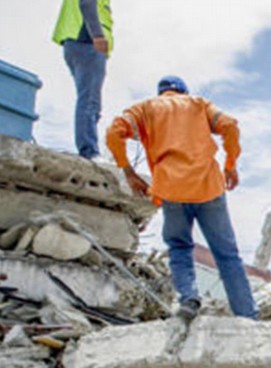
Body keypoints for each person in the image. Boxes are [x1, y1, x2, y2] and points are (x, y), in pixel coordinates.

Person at [106, 76, 258, 321]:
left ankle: (189, 298)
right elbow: (229, 125)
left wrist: (128, 171)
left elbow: (114, 131)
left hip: (171, 188)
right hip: (208, 186)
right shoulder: (199, 105)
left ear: (161, 93)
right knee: (227, 254)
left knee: (179, 247)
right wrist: (230, 165)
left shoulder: (146, 108)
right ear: (183, 91)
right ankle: (247, 314)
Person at [53, 0, 113, 159]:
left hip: (77, 44)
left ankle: (89, 148)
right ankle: (89, 152)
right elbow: (87, 3)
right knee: (89, 101)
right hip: (87, 43)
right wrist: (98, 36)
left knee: (90, 102)